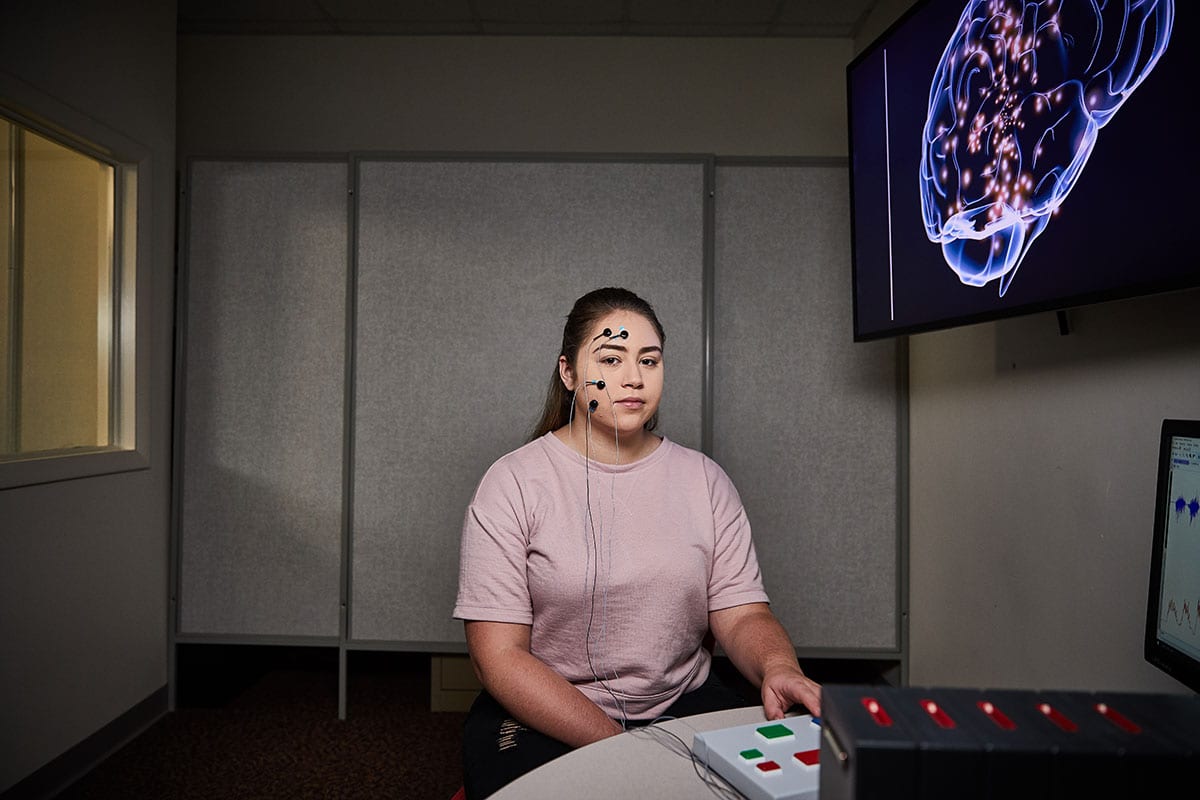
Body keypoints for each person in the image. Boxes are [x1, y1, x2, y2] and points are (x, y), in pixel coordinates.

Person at [453, 286, 821, 799]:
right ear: (568, 373)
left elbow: (741, 614)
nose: (633, 378)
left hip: (682, 701)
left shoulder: (705, 481)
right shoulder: (512, 483)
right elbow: (500, 658)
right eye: (611, 358)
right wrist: (624, 750)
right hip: (547, 711)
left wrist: (779, 666)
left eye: (649, 360)